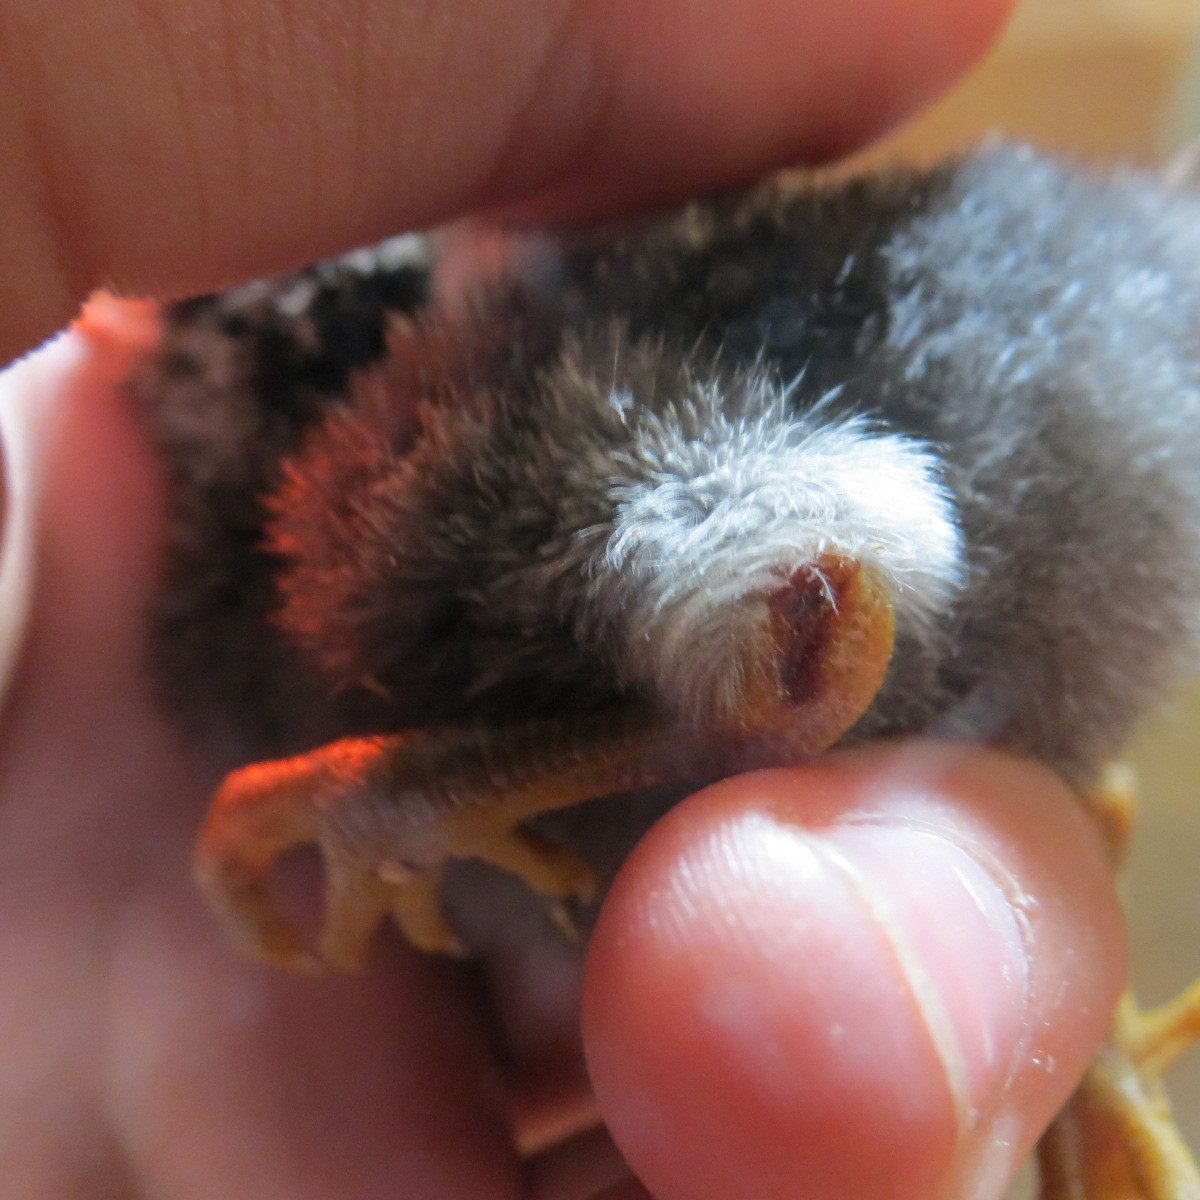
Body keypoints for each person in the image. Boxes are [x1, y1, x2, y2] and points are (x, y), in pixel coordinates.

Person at [0, 2, 1126, 1197]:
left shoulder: (352, 467)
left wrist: (423, 787)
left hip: (780, 476)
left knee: (418, 539)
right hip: (919, 455)